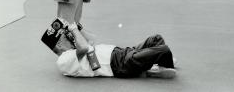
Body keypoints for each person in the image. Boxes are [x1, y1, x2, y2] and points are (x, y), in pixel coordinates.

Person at [42, 19, 176, 79]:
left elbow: (92, 39)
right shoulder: (63, 60)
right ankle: (160, 67)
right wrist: (74, 30)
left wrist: (79, 27)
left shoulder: (73, 51)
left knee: (156, 39)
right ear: (59, 45)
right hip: (119, 64)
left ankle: (153, 65)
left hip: (121, 53)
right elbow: (84, 47)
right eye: (65, 37)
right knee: (163, 50)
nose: (70, 36)